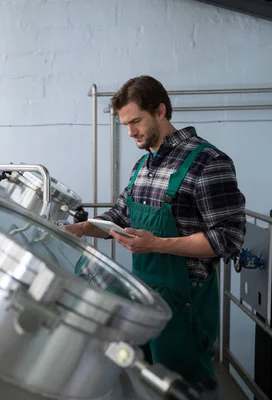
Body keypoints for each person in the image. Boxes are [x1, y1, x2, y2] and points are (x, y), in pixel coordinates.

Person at [65, 76, 246, 384]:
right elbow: (120, 215)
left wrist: (158, 244)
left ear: (161, 111)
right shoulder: (143, 165)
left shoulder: (208, 161)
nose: (131, 132)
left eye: (136, 121)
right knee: (146, 384)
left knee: (185, 387)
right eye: (125, 125)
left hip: (186, 305)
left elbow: (228, 238)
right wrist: (82, 228)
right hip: (146, 298)